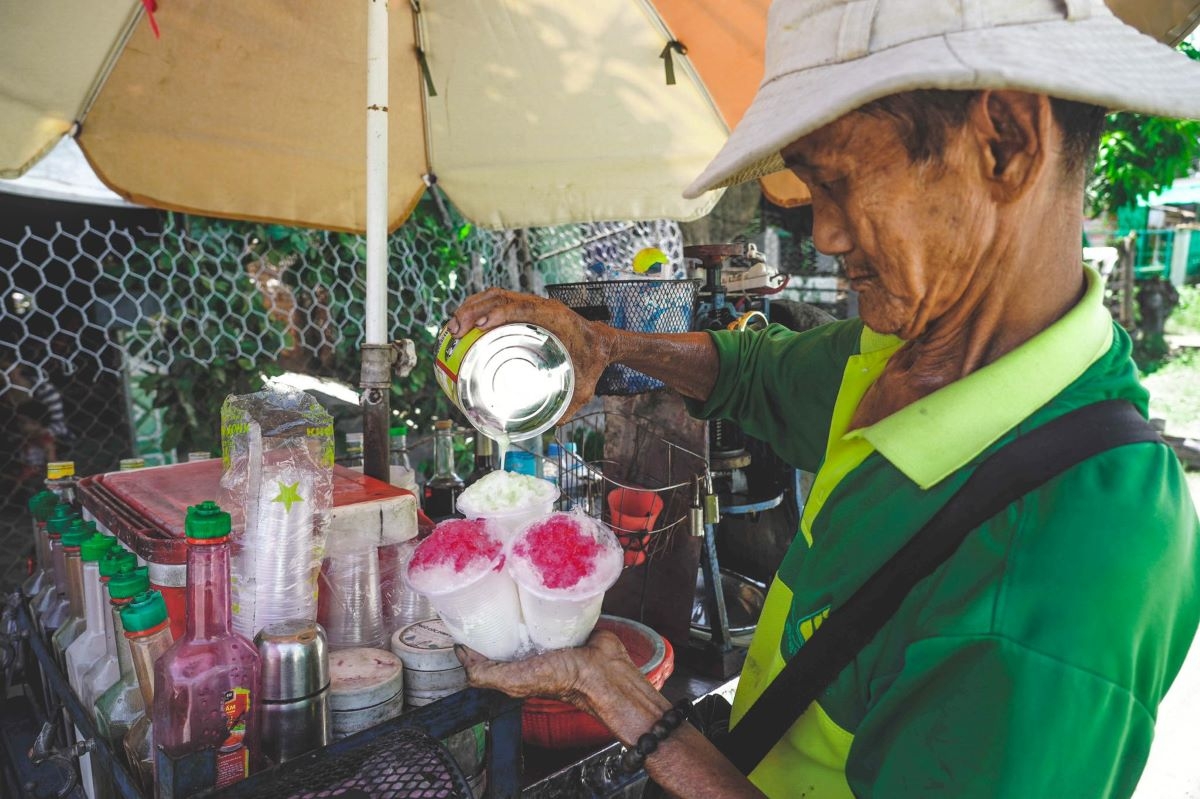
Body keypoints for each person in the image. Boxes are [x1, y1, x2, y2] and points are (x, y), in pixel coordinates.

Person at [448, 1, 1200, 796]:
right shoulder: (913, 350)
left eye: (837, 182)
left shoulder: (1064, 564)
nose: (829, 235)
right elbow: (754, 374)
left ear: (1005, 144)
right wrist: (609, 346)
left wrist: (618, 693)